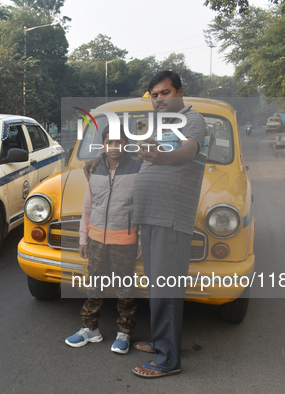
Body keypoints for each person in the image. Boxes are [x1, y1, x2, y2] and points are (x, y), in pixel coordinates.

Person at [84, 70, 207, 377]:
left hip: (170, 218)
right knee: (156, 287)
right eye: (154, 95)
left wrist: (163, 158)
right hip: (150, 217)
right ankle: (160, 342)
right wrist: (101, 159)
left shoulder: (191, 121)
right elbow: (135, 158)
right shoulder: (160, 128)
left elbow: (189, 150)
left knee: (166, 289)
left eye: (165, 93)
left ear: (179, 92)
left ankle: (168, 360)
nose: (159, 99)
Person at [65, 125, 142, 354]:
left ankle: (124, 332)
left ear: (125, 144)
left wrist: (140, 241)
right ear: (104, 145)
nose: (114, 147)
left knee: (124, 289)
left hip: (124, 240)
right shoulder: (95, 170)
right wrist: (83, 239)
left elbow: (141, 208)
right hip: (96, 239)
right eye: (110, 142)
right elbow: (88, 206)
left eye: (119, 142)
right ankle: (90, 329)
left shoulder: (137, 169)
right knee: (94, 285)